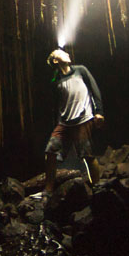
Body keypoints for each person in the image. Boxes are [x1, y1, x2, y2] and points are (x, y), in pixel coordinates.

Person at [42, 48, 104, 194]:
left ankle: (98, 187)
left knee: (87, 155)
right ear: (56, 61)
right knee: (50, 152)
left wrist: (99, 112)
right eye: (62, 53)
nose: (67, 54)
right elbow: (54, 102)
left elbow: (94, 90)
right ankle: (48, 188)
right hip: (64, 123)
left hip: (83, 119)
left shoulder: (80, 70)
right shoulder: (56, 79)